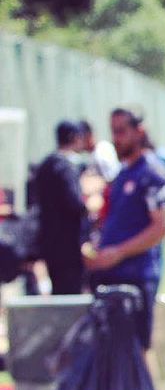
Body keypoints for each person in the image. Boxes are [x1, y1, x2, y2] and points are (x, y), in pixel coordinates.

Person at [83, 108, 165, 351]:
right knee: (107, 352)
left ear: (139, 131)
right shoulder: (123, 173)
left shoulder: (152, 173)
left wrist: (119, 252)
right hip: (111, 275)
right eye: (113, 131)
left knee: (137, 353)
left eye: (121, 131)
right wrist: (98, 249)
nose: (116, 138)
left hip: (136, 277)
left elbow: (162, 227)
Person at [35, 120, 88, 294]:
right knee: (70, 293)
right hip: (68, 244)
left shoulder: (45, 164)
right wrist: (90, 204)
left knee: (58, 290)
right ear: (74, 137)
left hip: (48, 239)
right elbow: (75, 203)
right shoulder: (66, 166)